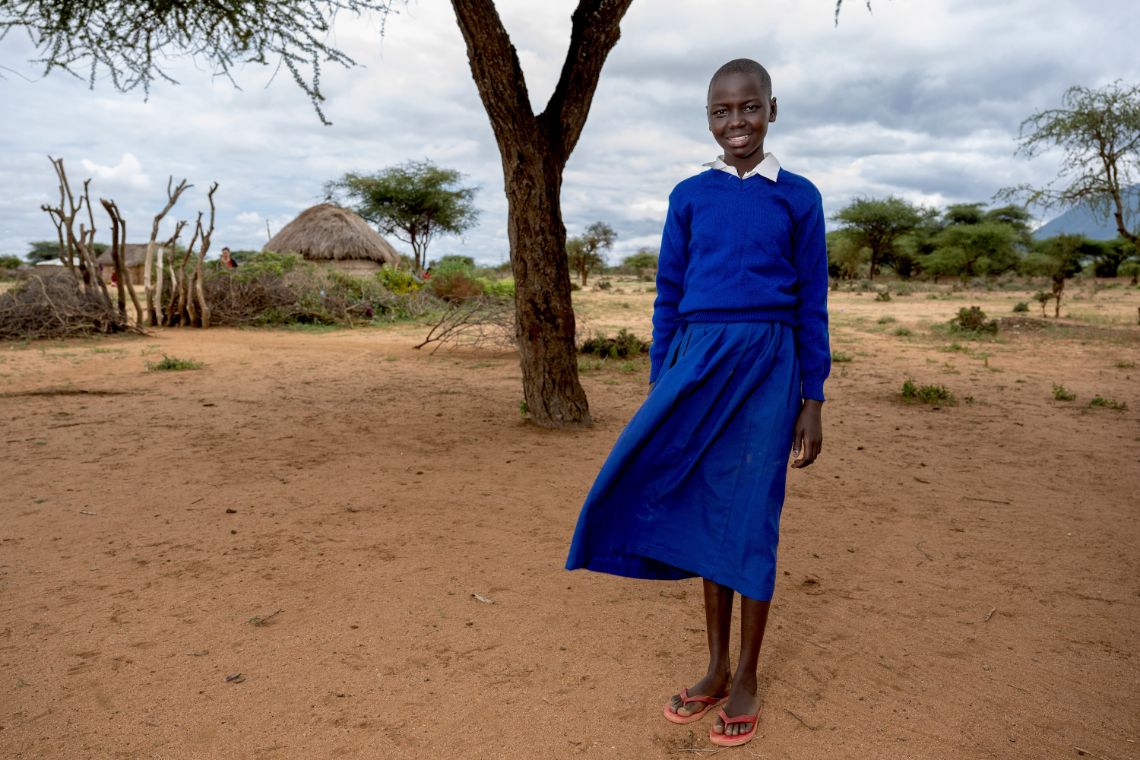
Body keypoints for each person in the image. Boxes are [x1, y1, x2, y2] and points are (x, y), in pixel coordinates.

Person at [565, 58, 829, 749]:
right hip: (695, 364)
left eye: (748, 108)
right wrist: (663, 383)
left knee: (750, 517)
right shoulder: (688, 196)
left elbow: (812, 303)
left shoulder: (798, 197)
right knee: (702, 510)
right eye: (721, 111)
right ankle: (711, 667)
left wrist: (814, 396)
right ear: (707, 118)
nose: (735, 122)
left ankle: (746, 675)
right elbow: (668, 297)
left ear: (773, 109)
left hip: (770, 368)